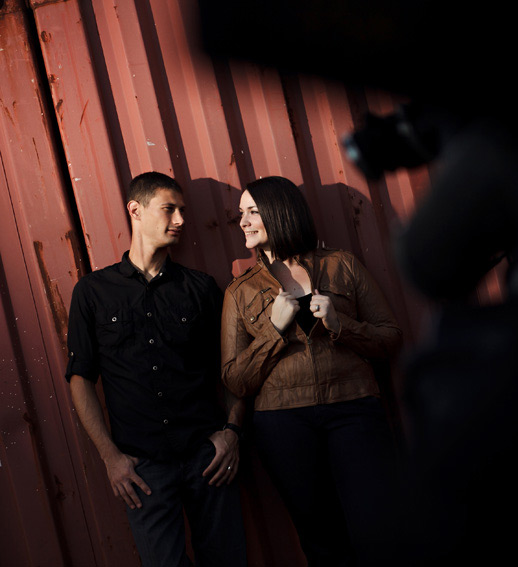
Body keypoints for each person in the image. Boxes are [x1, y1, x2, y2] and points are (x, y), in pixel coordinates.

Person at [65, 172, 247, 567]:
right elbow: (80, 380)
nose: (180, 219)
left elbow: (230, 368)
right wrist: (111, 458)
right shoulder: (93, 293)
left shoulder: (201, 288)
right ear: (135, 209)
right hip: (142, 470)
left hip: (208, 460)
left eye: (182, 210)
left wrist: (231, 432)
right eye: (169, 209)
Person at [221, 176, 402, 566]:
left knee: (378, 528)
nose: (244, 221)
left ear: (280, 212)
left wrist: (341, 324)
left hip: (354, 409)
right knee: (320, 538)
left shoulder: (343, 266)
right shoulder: (240, 291)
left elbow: (390, 339)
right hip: (283, 424)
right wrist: (274, 329)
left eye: (253, 211)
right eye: (241, 213)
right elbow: (235, 378)